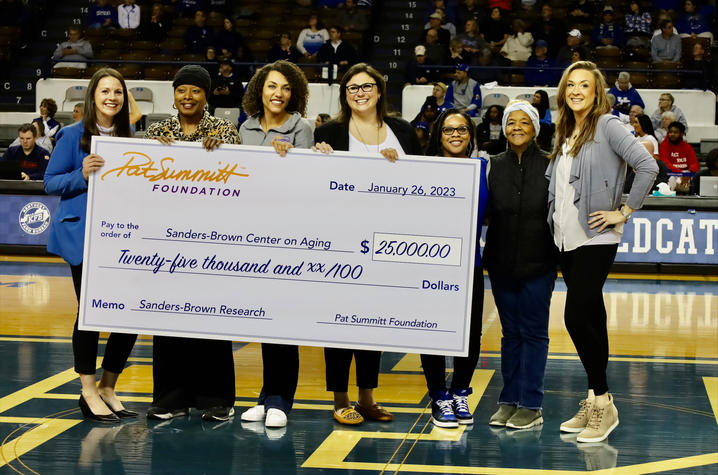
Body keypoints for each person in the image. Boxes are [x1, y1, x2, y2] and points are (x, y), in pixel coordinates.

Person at [547, 61, 657, 443]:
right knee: (591, 316)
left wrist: (623, 211)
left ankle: (604, 401)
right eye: (570, 85)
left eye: (584, 85)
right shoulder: (565, 129)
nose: (576, 91)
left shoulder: (608, 124)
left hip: (596, 236)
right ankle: (595, 400)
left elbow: (647, 165)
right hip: (565, 237)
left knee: (576, 317)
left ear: (597, 92)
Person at [313, 63, 422, 425]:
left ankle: (367, 398)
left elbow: (420, 183)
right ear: (345, 95)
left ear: (378, 91)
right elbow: (313, 181)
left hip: (386, 243)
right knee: (339, 322)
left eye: (367, 86)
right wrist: (319, 158)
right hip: (340, 240)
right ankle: (341, 398)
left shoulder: (403, 132)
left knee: (374, 322)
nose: (360, 93)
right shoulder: (329, 131)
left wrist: (399, 166)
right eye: (352, 88)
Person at [144, 65, 239, 422]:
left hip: (212, 238)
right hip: (166, 239)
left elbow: (242, 180)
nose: (187, 96)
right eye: (181, 90)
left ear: (206, 95)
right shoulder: (157, 131)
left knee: (211, 318)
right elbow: (140, 176)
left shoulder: (224, 131)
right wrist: (153, 152)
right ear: (173, 95)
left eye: (195, 91)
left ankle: (215, 397)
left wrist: (223, 152)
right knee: (167, 318)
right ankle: (171, 397)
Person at [44, 68, 138, 423]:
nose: (112, 97)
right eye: (105, 92)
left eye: (117, 92)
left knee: (128, 314)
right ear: (93, 97)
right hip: (84, 237)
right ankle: (87, 389)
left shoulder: (131, 138)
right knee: (91, 312)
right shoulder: (71, 135)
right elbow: (51, 184)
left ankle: (109, 386)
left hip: (123, 239)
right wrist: (81, 174)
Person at [237, 61, 312, 428]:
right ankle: (266, 398)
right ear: (260, 90)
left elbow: (307, 183)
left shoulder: (303, 128)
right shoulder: (245, 128)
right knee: (265, 321)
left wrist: (293, 159)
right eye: (271, 86)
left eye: (284, 87)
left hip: (290, 237)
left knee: (285, 322)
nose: (277, 93)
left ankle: (283, 399)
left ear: (292, 93)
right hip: (254, 235)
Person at [485, 101, 557, 430]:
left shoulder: (551, 164)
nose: (516, 126)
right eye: (510, 122)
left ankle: (531, 403)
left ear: (535, 129)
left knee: (534, 334)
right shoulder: (492, 164)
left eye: (523, 122)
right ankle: (509, 399)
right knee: (510, 334)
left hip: (539, 263)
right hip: (501, 263)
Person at [419, 108, 487, 428]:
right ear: (439, 134)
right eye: (449, 130)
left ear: (470, 134)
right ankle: (438, 395)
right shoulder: (424, 168)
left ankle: (460, 391)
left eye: (462, 130)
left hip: (469, 263)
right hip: (432, 263)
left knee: (470, 334)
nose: (456, 135)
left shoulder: (483, 169)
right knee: (431, 330)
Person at [625, 113, 670, 192]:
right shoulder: (636, 139)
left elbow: (655, 159)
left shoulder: (650, 139)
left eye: (636, 122)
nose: (634, 125)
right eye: (633, 122)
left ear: (642, 124)